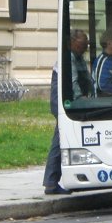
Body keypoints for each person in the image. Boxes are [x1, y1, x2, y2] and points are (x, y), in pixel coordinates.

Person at [43, 64, 69, 195]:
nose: (86, 43)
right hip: (60, 102)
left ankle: (51, 181)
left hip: (60, 100)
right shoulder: (64, 64)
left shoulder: (77, 59)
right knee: (59, 140)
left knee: (59, 139)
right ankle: (51, 181)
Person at [69, 29, 94, 99]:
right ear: (72, 42)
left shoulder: (80, 58)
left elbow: (88, 79)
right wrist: (80, 97)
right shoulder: (69, 57)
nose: (85, 49)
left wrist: (93, 93)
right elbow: (73, 81)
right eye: (82, 44)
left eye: (86, 44)